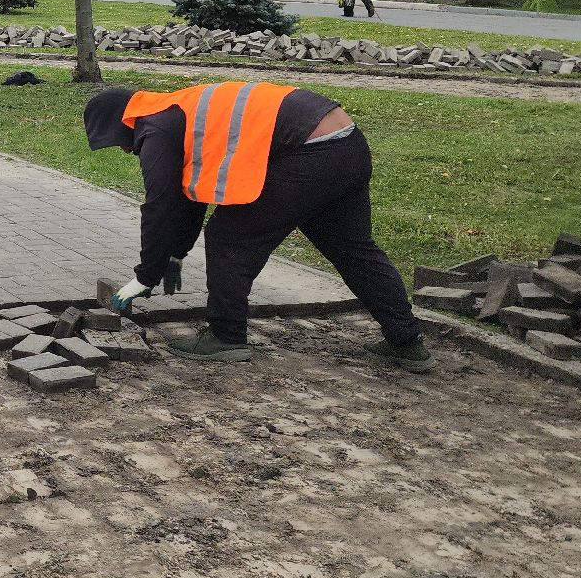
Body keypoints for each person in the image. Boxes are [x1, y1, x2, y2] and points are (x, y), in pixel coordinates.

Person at [81, 81, 432, 370]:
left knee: (229, 237)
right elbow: (188, 196)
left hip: (309, 152)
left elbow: (161, 204)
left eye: (117, 143)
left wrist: (145, 275)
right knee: (353, 249)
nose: (127, 151)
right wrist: (174, 254)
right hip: (347, 144)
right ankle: (406, 342)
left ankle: (225, 336)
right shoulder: (179, 109)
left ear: (121, 123)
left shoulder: (155, 125)